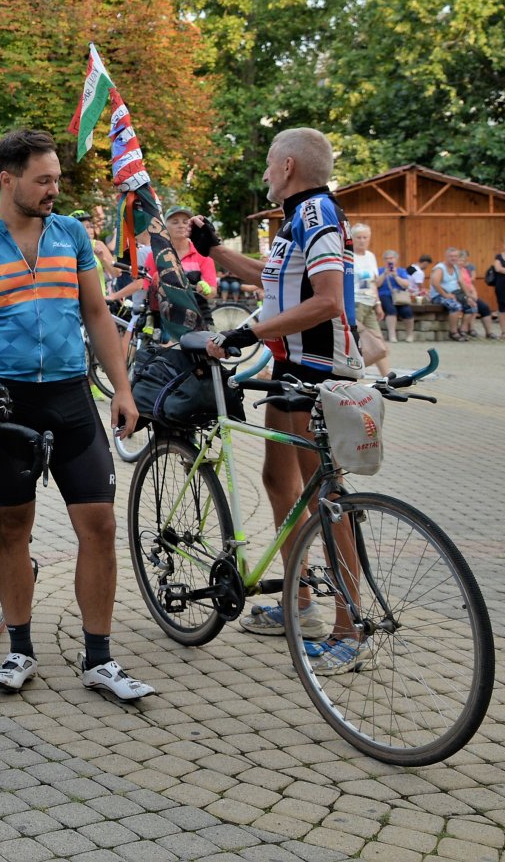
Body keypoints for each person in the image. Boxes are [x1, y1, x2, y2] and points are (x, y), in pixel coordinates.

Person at [0, 129, 150, 700]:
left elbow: (98, 314)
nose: (55, 188)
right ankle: (20, 649)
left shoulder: (71, 233)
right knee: (12, 528)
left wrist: (121, 391)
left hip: (72, 399)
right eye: (43, 179)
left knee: (98, 527)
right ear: (8, 180)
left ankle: (99, 658)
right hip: (7, 403)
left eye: (57, 178)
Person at [196, 128, 373, 673]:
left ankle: (351, 625)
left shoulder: (317, 214)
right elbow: (269, 279)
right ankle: (298, 601)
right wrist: (216, 252)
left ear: (290, 165)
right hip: (290, 369)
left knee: (327, 495)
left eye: (271, 166)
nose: (266, 175)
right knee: (279, 479)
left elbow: (324, 301)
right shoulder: (294, 220)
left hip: (319, 371)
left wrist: (246, 336)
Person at [348, 223, 389, 369]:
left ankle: (388, 380)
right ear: (352, 238)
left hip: (370, 303)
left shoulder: (370, 256)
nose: (362, 240)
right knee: (357, 343)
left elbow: (373, 283)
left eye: (365, 237)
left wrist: (378, 304)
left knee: (378, 342)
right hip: (355, 303)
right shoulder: (347, 256)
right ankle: (352, 375)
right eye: (358, 237)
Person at [427, 249, 470, 341]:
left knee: (471, 305)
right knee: (455, 306)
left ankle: (463, 330)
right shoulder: (440, 268)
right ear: (446, 257)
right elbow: (435, 283)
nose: (453, 258)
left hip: (454, 293)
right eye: (451, 256)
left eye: (455, 256)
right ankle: (453, 332)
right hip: (438, 296)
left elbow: (462, 282)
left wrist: (468, 296)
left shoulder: (456, 268)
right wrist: (445, 295)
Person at [377, 250, 413, 343]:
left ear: (396, 260)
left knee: (407, 311)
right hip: (384, 294)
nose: (389, 260)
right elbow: (377, 284)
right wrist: (384, 274)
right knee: (391, 310)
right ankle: (392, 335)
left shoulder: (401, 271)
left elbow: (406, 285)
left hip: (399, 295)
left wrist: (396, 276)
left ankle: (409, 334)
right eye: (386, 258)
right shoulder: (379, 270)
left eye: (391, 258)